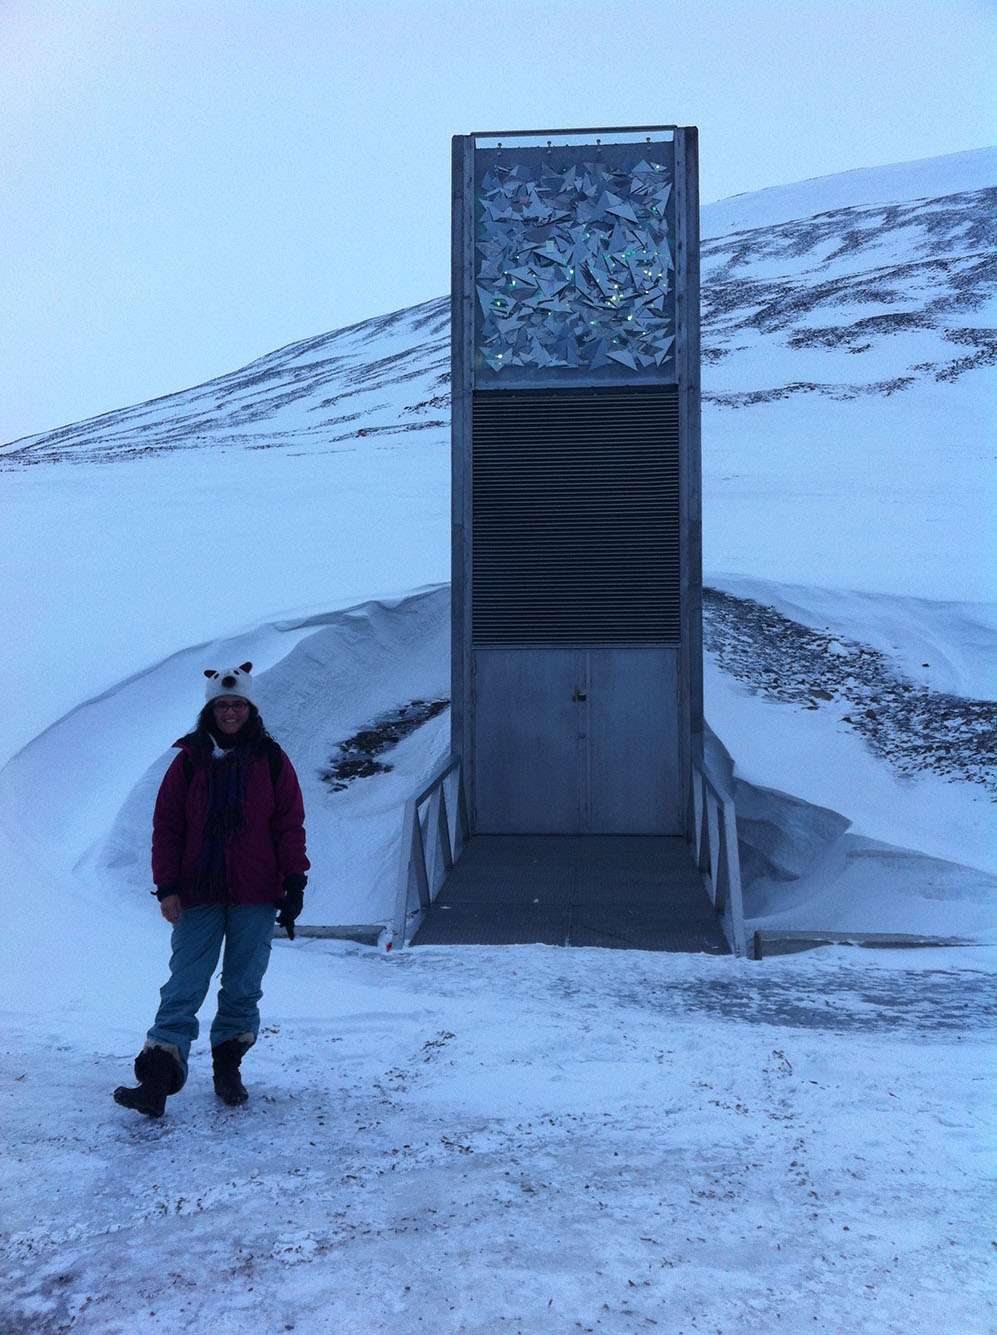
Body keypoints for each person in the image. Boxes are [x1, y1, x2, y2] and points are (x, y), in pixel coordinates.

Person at [114, 662, 309, 1118]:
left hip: (256, 893)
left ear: (250, 708)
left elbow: (288, 825)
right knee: (184, 982)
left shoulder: (272, 760)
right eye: (222, 704)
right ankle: (158, 1080)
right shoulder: (188, 762)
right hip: (198, 893)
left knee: (243, 984)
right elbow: (167, 828)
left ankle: (228, 1068)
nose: (230, 711)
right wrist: (167, 888)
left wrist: (294, 881)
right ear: (210, 709)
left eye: (238, 703)